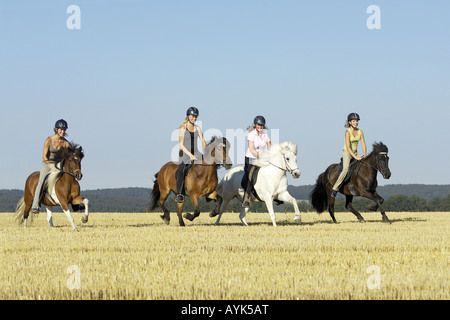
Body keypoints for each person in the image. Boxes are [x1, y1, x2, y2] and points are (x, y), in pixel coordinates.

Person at [31, 119, 71, 213]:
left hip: (59, 165)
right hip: (47, 164)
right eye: (61, 129)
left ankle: (76, 203)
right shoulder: (49, 140)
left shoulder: (66, 143)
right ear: (56, 129)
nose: (63, 131)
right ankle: (35, 205)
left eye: (64, 130)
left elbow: (70, 156)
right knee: (41, 182)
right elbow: (44, 156)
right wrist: (51, 166)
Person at [331, 113, 367, 198]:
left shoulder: (360, 131)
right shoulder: (347, 132)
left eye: (357, 121)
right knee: (345, 169)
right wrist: (355, 157)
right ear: (350, 122)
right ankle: (335, 189)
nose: (356, 122)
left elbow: (363, 144)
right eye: (354, 121)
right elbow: (348, 146)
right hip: (347, 152)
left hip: (355, 152)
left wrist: (365, 154)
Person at [175, 107, 207, 203]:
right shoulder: (183, 128)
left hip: (196, 152)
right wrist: (190, 155)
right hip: (185, 153)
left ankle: (208, 188)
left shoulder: (198, 128)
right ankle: (179, 193)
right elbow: (181, 145)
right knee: (181, 169)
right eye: (193, 116)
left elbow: (203, 141)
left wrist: (207, 153)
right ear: (188, 116)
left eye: (196, 116)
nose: (194, 118)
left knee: (206, 165)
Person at [242, 115, 272, 208]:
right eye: (259, 125)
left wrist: (272, 154)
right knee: (251, 175)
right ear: (255, 125)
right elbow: (251, 149)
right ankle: (246, 198)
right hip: (251, 158)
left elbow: (270, 145)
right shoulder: (251, 134)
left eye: (262, 125)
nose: (260, 127)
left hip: (262, 158)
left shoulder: (265, 135)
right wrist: (260, 156)